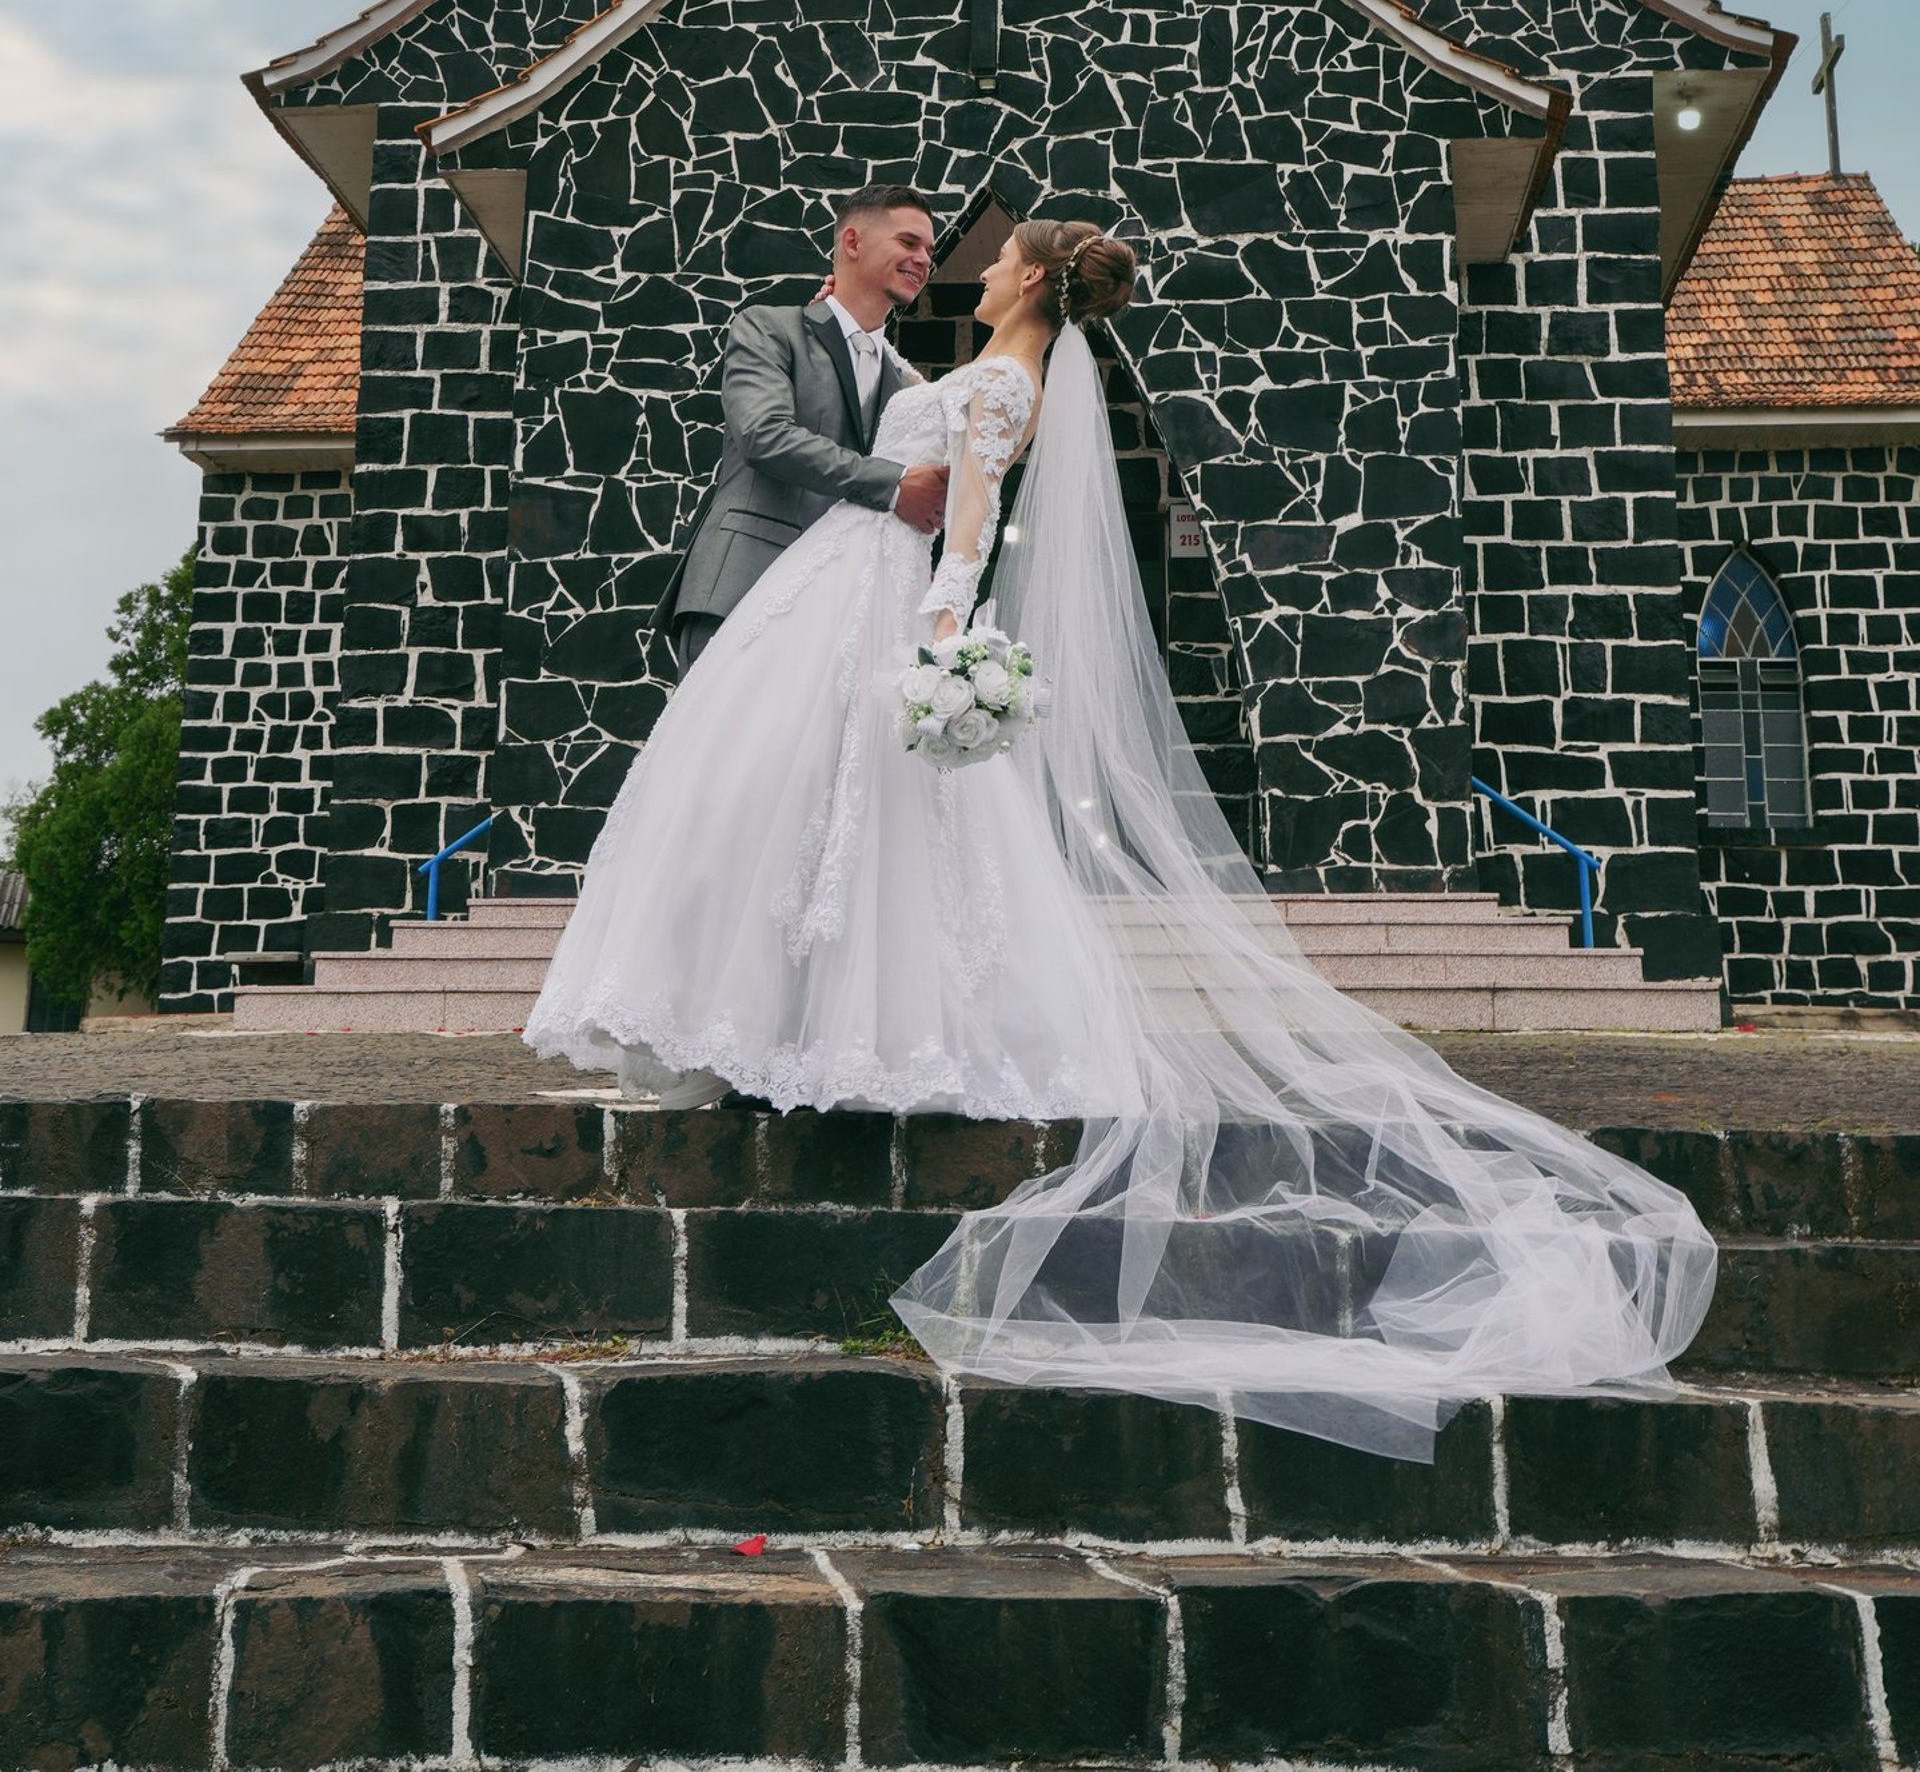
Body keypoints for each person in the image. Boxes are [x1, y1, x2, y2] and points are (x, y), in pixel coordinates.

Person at [527, 215, 1716, 1463]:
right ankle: (784, 1017)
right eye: (934, 243)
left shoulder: (993, 381)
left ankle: (833, 1025)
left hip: (882, 595)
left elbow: (969, 523)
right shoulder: (968, 369)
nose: (970, 266)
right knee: (803, 816)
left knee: (851, 825)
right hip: (831, 583)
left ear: (1032, 277)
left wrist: (942, 638)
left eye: (988, 256)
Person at [653, 183, 950, 674]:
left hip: (841, 615)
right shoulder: (770, 328)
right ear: (851, 243)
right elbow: (763, 435)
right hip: (745, 586)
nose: (923, 259)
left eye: (930, 251)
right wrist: (894, 483)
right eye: (908, 242)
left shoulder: (903, 383)